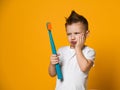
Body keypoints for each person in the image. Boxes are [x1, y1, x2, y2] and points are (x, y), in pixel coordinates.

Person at [48, 10, 96, 90]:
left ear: (86, 34)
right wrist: (52, 63)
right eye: (69, 34)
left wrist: (77, 48)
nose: (72, 37)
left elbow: (84, 68)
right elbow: (52, 74)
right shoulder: (61, 51)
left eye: (76, 33)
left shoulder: (89, 51)